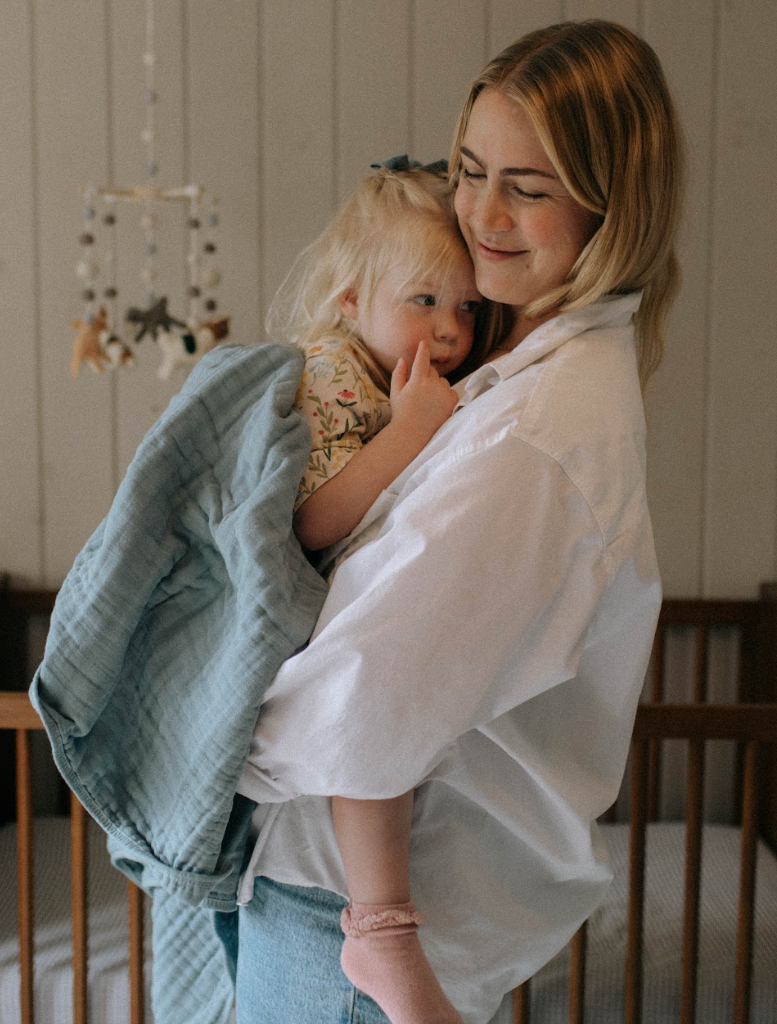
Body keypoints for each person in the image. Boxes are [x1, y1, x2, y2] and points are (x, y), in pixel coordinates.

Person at [231, 19, 683, 1024]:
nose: (480, 213)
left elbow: (367, 692)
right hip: (340, 896)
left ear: (611, 203)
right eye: (470, 172)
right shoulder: (503, 373)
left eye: (527, 188)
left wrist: (221, 746)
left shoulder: (541, 432)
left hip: (344, 919)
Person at [270, 163, 485, 1024]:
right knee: (370, 727)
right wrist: (412, 432)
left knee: (387, 727)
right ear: (352, 300)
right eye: (424, 301)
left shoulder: (393, 371)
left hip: (352, 617)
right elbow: (315, 519)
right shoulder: (332, 371)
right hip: (315, 623)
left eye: (467, 307)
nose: (450, 328)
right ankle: (381, 926)